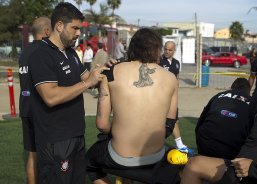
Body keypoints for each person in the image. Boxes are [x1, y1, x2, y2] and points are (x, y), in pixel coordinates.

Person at [86, 28, 180, 184]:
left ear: (132, 47)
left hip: (120, 155)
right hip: (155, 155)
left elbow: (102, 124)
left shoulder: (111, 72)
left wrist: (119, 132)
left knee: (89, 164)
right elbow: (170, 124)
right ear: (157, 49)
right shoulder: (171, 79)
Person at [28, 2, 107, 184]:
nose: (79, 33)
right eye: (75, 28)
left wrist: (106, 71)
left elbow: (89, 78)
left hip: (76, 135)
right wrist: (87, 83)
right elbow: (50, 96)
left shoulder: (70, 53)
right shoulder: (41, 54)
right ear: (59, 26)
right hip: (55, 139)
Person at [181, 46, 257, 184]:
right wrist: (238, 167)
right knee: (194, 165)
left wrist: (252, 169)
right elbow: (253, 143)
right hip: (256, 169)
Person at [19, 16, 51, 184]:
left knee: (32, 154)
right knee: (48, 154)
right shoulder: (44, 51)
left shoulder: (24, 52)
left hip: (25, 107)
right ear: (47, 31)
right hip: (41, 110)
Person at [196, 78, 252, 160]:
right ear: (248, 91)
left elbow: (200, 121)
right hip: (232, 150)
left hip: (205, 143)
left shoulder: (219, 95)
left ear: (232, 87)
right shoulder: (253, 101)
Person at [159, 41, 190, 153]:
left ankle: (179, 144)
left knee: (174, 119)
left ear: (174, 50)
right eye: (166, 49)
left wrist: (176, 92)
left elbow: (176, 79)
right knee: (159, 120)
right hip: (159, 97)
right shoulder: (159, 61)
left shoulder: (176, 63)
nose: (167, 51)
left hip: (172, 97)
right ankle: (154, 144)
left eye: (170, 50)